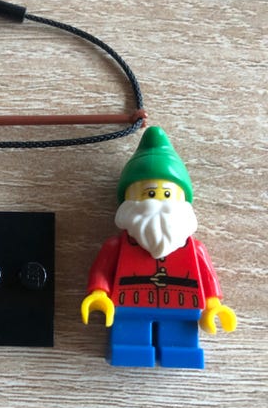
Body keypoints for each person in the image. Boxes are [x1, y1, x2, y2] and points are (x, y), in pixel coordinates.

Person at [81, 126, 236, 368]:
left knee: (182, 345)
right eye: (150, 194)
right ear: (129, 203)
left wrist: (214, 306)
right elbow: (102, 271)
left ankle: (181, 354)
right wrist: (99, 295)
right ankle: (130, 351)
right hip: (129, 305)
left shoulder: (194, 248)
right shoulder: (117, 245)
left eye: (167, 194)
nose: (159, 202)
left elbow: (208, 277)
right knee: (129, 344)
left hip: (183, 307)